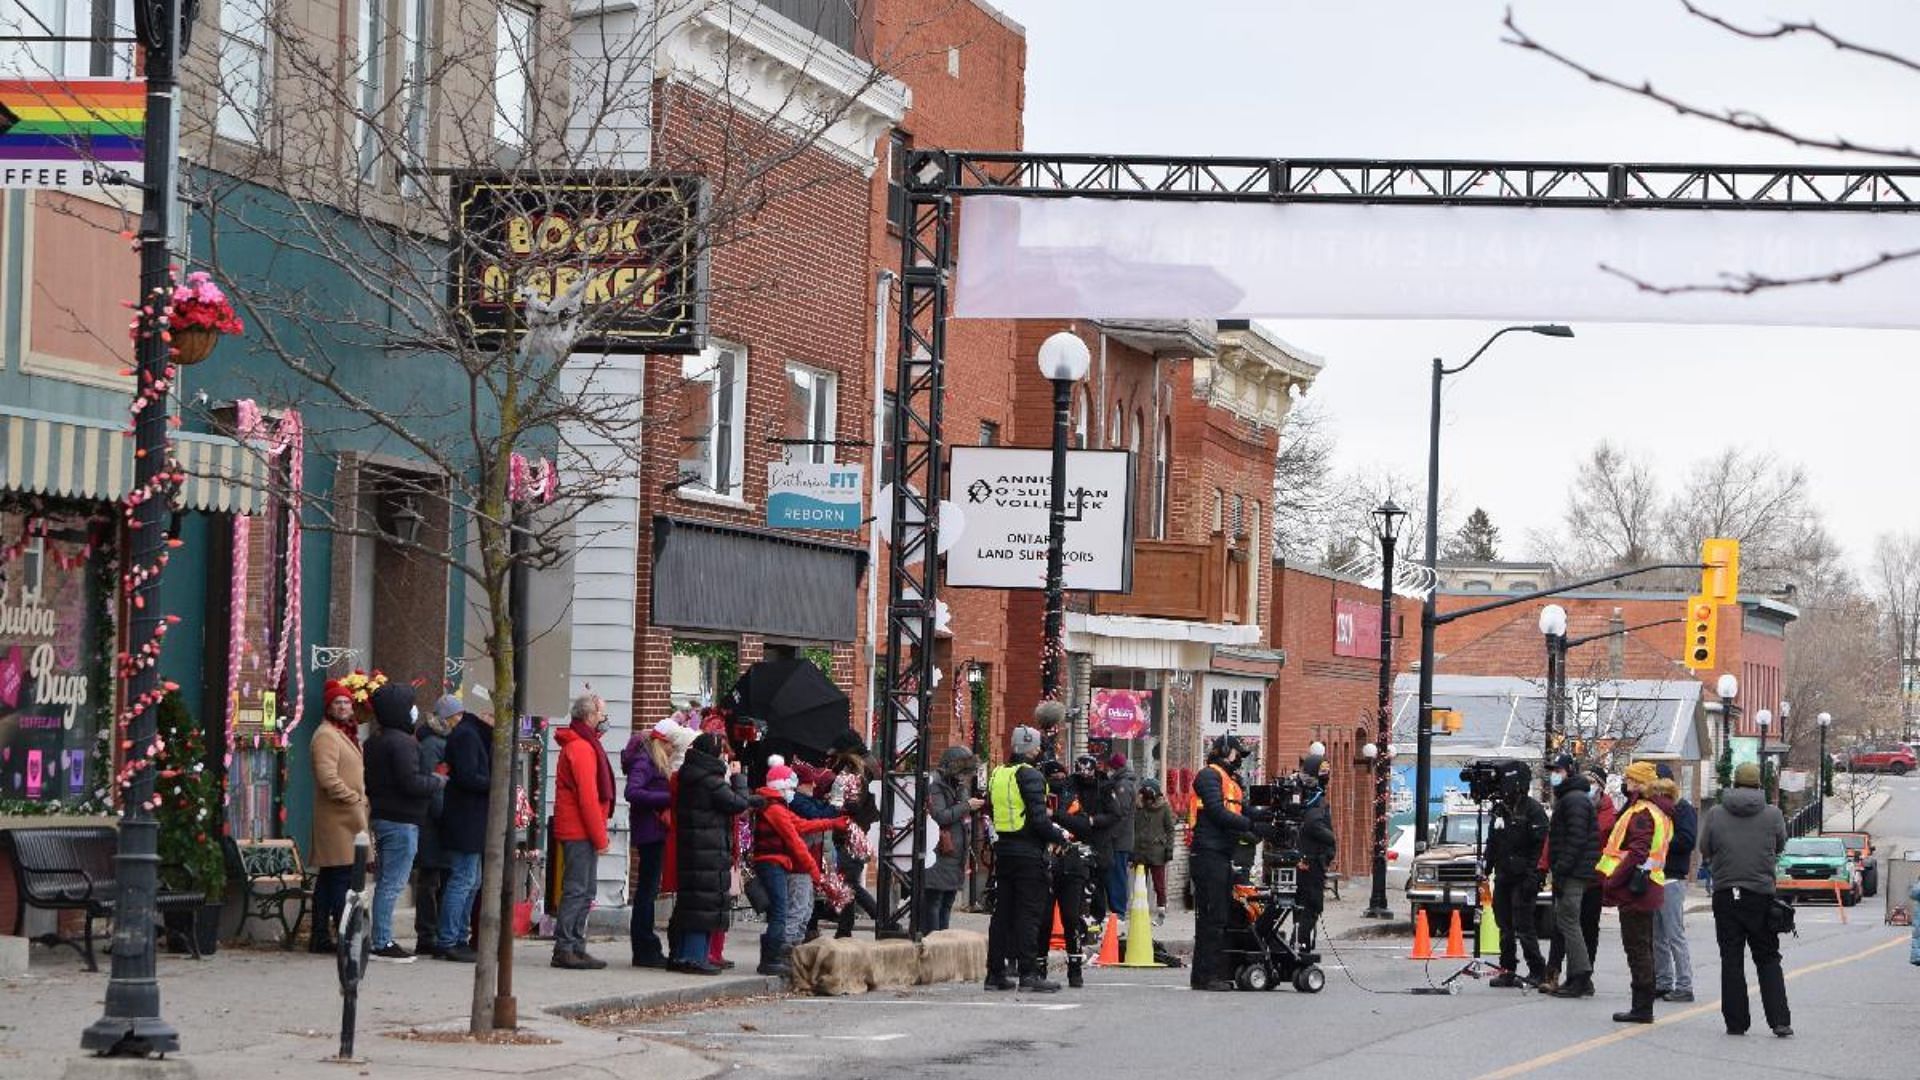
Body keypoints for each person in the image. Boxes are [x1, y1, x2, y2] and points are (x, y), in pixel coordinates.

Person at [1699, 761, 1792, 1037]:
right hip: (1760, 895)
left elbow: (1705, 847)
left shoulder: (1716, 813)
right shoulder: (1772, 814)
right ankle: (1779, 1020)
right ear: (1758, 786)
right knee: (1767, 957)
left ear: (1734, 784)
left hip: (1727, 894)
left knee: (1731, 959)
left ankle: (1737, 1022)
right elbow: (1780, 844)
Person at [364, 683, 446, 963]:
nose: (415, 710)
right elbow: (410, 782)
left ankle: (380, 937)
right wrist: (436, 781)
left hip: (385, 816)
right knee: (392, 882)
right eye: (410, 704)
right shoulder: (401, 743)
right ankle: (382, 940)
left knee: (388, 881)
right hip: (401, 819)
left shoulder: (376, 740)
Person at [985, 723, 1070, 993]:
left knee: (1002, 915)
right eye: (1038, 746)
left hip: (1004, 850)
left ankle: (995, 973)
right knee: (1029, 914)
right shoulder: (1031, 776)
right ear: (1032, 748)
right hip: (1028, 852)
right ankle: (1029, 973)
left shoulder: (998, 774)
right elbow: (1039, 820)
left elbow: (991, 807)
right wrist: (1059, 837)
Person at [668, 731, 756, 974]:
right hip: (708, 852)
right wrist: (739, 778)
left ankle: (683, 954)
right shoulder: (710, 780)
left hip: (695, 849)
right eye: (722, 753)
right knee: (703, 905)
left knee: (692, 904)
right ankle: (695, 957)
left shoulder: (690, 775)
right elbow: (737, 803)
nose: (725, 758)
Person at [1597, 761, 1674, 1024]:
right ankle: (1643, 1005)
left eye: (1630, 779)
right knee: (1643, 947)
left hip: (1636, 888)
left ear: (1640, 784)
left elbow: (1638, 852)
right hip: (1646, 885)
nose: (1626, 783)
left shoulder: (1642, 812)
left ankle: (1642, 1007)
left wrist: (1613, 881)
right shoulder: (1655, 811)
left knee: (1637, 948)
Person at [751, 760, 845, 976]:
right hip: (772, 862)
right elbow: (795, 840)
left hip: (776, 862)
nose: (793, 792)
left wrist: (831, 823)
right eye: (791, 788)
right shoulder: (774, 808)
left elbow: (802, 825)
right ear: (782, 786)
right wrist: (816, 874)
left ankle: (775, 956)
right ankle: (772, 958)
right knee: (782, 911)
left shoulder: (776, 806)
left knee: (785, 910)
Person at [1190, 734, 1259, 992]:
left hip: (1221, 854)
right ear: (1225, 751)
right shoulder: (1209, 775)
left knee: (1221, 915)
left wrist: (1262, 823)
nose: (1239, 759)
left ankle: (1211, 972)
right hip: (1208, 854)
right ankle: (1206, 976)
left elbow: (1241, 811)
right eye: (1237, 754)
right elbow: (1218, 812)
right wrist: (1248, 825)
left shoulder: (1232, 780)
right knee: (1212, 916)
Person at [552, 693, 615, 970]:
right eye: (602, 715)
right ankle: (566, 947)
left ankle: (575, 945)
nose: (604, 720)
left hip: (581, 829)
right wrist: (600, 837)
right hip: (580, 830)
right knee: (578, 890)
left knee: (584, 890)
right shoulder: (581, 748)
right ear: (590, 716)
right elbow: (588, 799)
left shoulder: (584, 745)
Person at [309, 680, 368, 955]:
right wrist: (353, 798)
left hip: (346, 818)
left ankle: (320, 935)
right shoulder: (326, 735)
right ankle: (339, 932)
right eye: (338, 703)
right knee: (340, 878)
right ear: (329, 707)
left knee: (330, 877)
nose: (343, 706)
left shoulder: (345, 733)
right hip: (337, 820)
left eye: (346, 702)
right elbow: (327, 777)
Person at [436, 684, 494, 963]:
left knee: (470, 880)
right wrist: (496, 785)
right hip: (466, 818)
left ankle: (457, 935)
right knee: (463, 879)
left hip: (468, 817)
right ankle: (450, 938)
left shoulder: (468, 734)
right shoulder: (468, 736)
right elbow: (469, 777)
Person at [620, 719, 676, 968]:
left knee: (648, 890)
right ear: (660, 742)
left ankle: (645, 945)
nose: (672, 751)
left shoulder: (648, 759)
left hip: (651, 830)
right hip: (650, 831)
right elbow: (632, 792)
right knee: (647, 890)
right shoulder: (646, 761)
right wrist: (667, 798)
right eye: (670, 745)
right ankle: (644, 946)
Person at [1543, 753, 1599, 999]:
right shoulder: (1571, 798)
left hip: (1574, 872)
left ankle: (1580, 976)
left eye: (1558, 770)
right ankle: (1579, 977)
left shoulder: (1574, 800)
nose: (1553, 774)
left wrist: (1562, 869)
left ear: (1569, 771)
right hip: (1574, 870)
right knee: (1567, 921)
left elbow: (1576, 839)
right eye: (1552, 770)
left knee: (1568, 922)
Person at [1486, 769, 1549, 988]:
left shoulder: (1533, 810)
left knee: (1524, 926)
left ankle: (1537, 970)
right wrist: (1486, 867)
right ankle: (1507, 969)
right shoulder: (1499, 810)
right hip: (1503, 875)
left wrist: (1535, 875)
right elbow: (1492, 841)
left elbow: (1540, 846)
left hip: (1524, 876)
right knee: (1504, 925)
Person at [410, 693, 457, 957]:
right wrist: (444, 816)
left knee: (444, 878)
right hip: (432, 823)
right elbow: (433, 784)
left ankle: (436, 931)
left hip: (441, 821)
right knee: (430, 880)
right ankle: (427, 934)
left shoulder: (444, 742)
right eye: (455, 715)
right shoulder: (432, 744)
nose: (459, 720)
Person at [825, 733, 881, 938]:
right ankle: (844, 930)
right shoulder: (871, 765)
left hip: (853, 832)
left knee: (849, 883)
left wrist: (835, 801)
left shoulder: (857, 770)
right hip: (862, 830)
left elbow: (854, 803)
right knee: (848, 881)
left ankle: (880, 918)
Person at [1651, 762, 1698, 1002]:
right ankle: (1663, 981)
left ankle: (1684, 984)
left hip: (1672, 878)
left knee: (1673, 933)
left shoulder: (1683, 810)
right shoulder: (1653, 811)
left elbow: (1688, 841)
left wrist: (1661, 843)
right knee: (1657, 935)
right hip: (1655, 876)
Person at [925, 746, 982, 933]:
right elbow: (940, 815)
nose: (965, 777)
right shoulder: (935, 785)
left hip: (955, 852)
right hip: (940, 851)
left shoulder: (958, 786)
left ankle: (944, 941)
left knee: (947, 901)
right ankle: (933, 941)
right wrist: (967, 806)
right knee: (934, 901)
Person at [1069, 754, 1119, 922]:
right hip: (1075, 838)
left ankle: (1096, 918)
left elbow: (1115, 814)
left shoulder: (1104, 787)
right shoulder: (1071, 785)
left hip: (1099, 842)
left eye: (1087, 773)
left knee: (1098, 882)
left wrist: (1093, 820)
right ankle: (1077, 917)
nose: (1084, 777)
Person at [1293, 771, 1337, 951]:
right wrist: (1330, 838)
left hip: (1311, 861)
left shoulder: (1313, 803)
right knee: (1312, 903)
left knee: (1303, 903)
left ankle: (1300, 941)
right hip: (1310, 864)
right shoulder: (1314, 805)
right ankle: (1301, 942)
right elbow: (1314, 825)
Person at [1100, 745, 1139, 914]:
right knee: (1116, 874)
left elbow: (1120, 814)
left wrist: (1111, 835)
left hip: (1119, 840)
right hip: (1121, 839)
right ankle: (1117, 909)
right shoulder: (1124, 783)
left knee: (1117, 875)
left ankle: (1118, 910)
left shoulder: (1122, 786)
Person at [1132, 780, 1176, 925]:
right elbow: (1132, 828)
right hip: (1140, 851)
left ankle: (1161, 910)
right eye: (1146, 798)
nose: (1148, 801)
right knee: (1140, 884)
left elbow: (1170, 830)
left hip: (1157, 851)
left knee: (1159, 884)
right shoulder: (1138, 808)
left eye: (1150, 799)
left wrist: (1169, 848)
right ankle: (1141, 911)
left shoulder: (1164, 808)